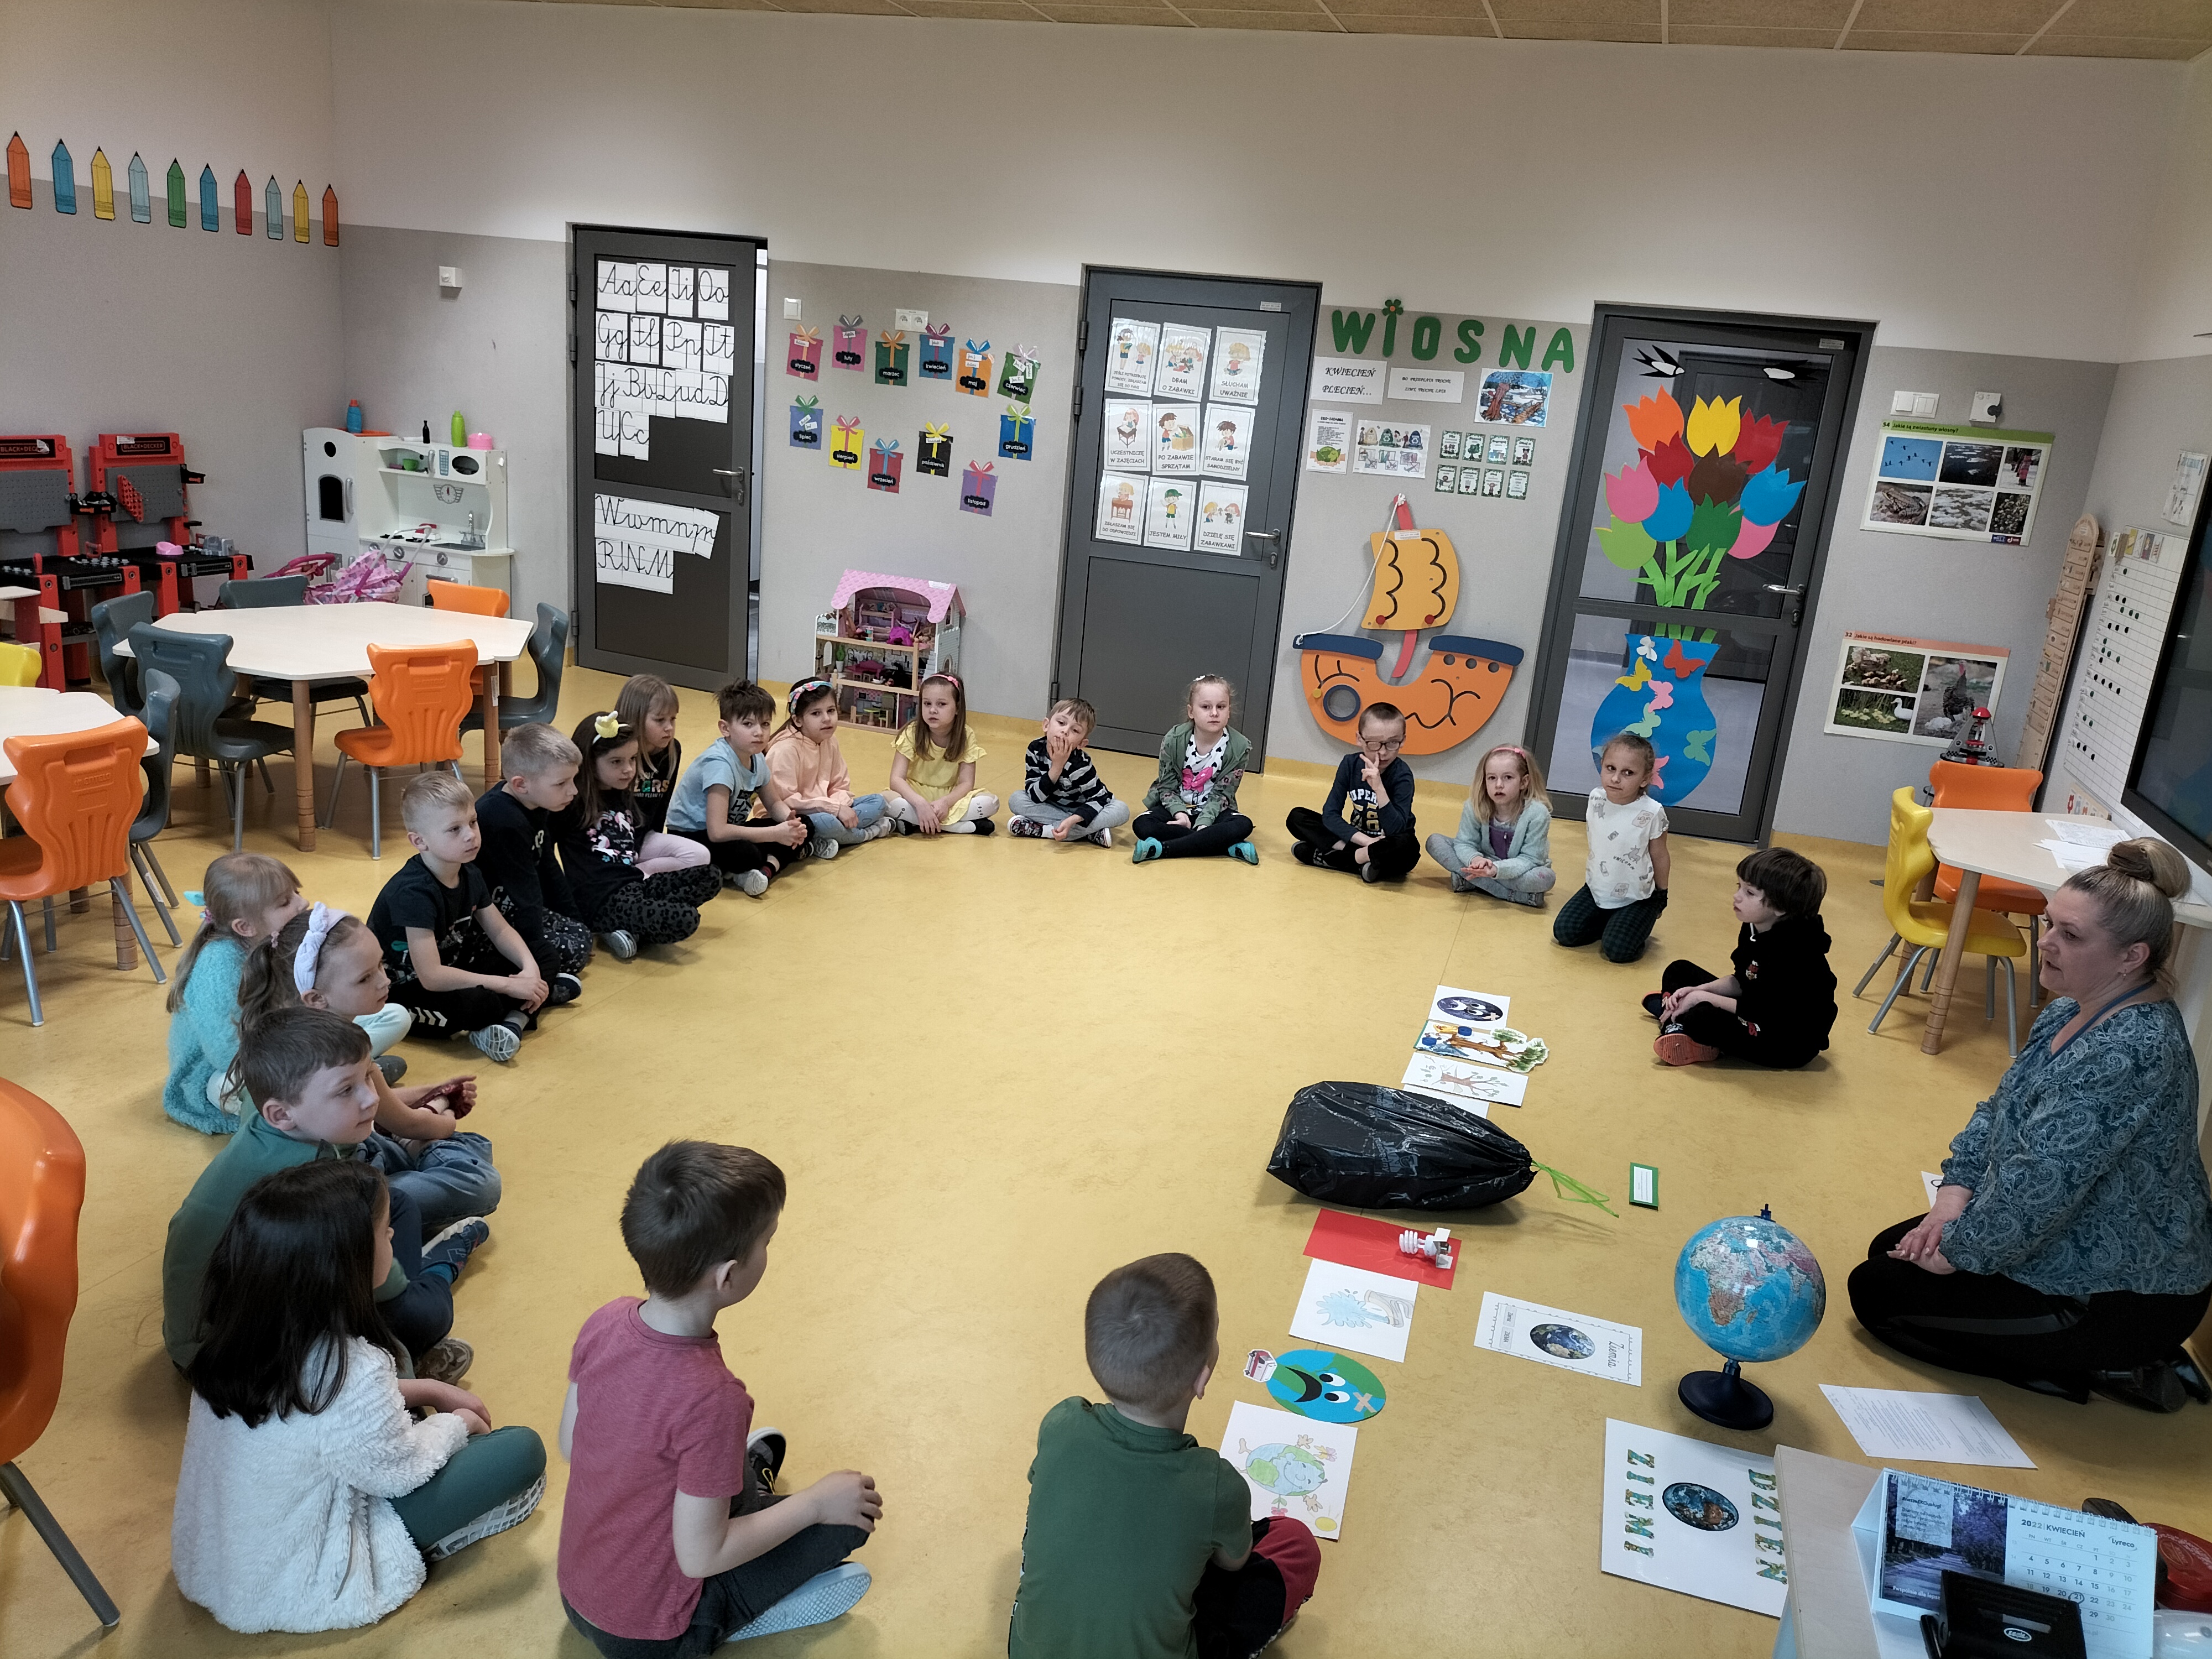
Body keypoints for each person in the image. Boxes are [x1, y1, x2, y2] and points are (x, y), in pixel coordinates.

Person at [1848, 839, 2212, 1412]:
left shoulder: (2133, 1050)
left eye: (2071, 935)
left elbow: (2043, 1185)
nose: (2044, 942)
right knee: (1888, 1252)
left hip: (2119, 1292)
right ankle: (2060, 1354)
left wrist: (1958, 1249)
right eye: (2049, 923)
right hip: (2060, 1235)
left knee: (1875, 1295)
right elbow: (2000, 1109)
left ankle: (2098, 1364)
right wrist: (1952, 1199)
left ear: (2131, 957)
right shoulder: (2072, 1007)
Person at [171, 1160, 544, 1633]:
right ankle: (434, 1541)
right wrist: (456, 1426)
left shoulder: (235, 1339)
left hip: (217, 1564)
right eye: (385, 1232)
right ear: (344, 1261)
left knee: (404, 1374)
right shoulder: (350, 1367)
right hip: (302, 1582)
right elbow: (399, 1472)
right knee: (520, 1451)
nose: (392, 1237)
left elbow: (315, 1411)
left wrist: (429, 1387)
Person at [560, 1141, 881, 1654]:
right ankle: (734, 1618)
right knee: (848, 1515)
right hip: (654, 1636)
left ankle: (726, 1483)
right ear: (728, 1276)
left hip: (577, 1596)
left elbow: (573, 1445)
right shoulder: (713, 1399)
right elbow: (699, 1558)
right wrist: (817, 1503)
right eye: (767, 1242)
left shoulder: (606, 1320)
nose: (769, 1251)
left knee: (719, 1472)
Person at [1007, 1253, 1319, 1658]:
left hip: (1027, 1651)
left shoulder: (1061, 1422)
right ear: (1203, 1377)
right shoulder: (1216, 1485)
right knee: (1295, 1543)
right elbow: (1233, 1564)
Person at [161, 1006, 482, 1381]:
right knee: (424, 1316)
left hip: (200, 1339)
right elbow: (377, 1284)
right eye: (346, 1090)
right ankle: (441, 1264)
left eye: (369, 1077)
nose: (372, 1099)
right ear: (282, 1114)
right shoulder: (314, 1185)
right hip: (244, 1362)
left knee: (398, 1203)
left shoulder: (271, 1116)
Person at [234, 902, 500, 1230]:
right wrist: (442, 1111)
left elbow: (377, 1101)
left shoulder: (313, 1031)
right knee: (479, 1180)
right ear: (316, 998)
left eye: (381, 965)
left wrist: (434, 1090)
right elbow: (410, 1123)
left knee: (467, 1146)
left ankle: (411, 1154)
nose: (384, 981)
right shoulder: (333, 1048)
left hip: (345, 1152)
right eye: (364, 978)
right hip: (329, 1198)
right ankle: (412, 1164)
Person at [366, 773, 549, 1063]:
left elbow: (500, 931)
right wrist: (507, 985)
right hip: (408, 991)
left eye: (473, 822)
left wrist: (530, 970)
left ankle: (513, 1022)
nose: (471, 835)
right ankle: (518, 1010)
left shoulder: (469, 872)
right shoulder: (413, 892)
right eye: (454, 829)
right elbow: (431, 977)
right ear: (420, 841)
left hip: (454, 968)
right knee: (479, 1004)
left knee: (541, 952)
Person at [1643, 847, 1836, 1068]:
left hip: (1785, 1040)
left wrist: (1700, 998)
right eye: (1740, 887)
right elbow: (1743, 981)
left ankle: (1675, 1021)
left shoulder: (1795, 953)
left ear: (1780, 907)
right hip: (1755, 1005)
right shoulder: (1756, 925)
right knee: (1680, 970)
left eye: (1750, 893)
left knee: (1703, 1018)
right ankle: (1678, 1014)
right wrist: (1699, 990)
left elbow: (1763, 1011)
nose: (1737, 896)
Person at [163, 852, 311, 1133]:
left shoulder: (276, 940)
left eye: (297, 893)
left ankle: (329, 1083)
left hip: (280, 1050)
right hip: (216, 1072)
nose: (303, 903)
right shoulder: (218, 964)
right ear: (245, 927)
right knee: (229, 1087)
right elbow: (225, 1055)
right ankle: (326, 1088)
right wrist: (298, 1055)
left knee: (392, 1016)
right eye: (285, 902)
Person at [559, 711, 727, 953]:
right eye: (616, 762)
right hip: (603, 898)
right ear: (590, 762)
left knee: (711, 876)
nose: (629, 769)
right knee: (686, 919)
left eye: (633, 759)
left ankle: (629, 927)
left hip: (634, 883)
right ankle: (613, 924)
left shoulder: (621, 792)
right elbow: (546, 856)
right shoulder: (572, 803)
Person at [473, 721, 592, 999]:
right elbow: (524, 892)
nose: (573, 791)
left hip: (516, 906)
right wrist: (537, 950)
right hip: (488, 919)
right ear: (521, 784)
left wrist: (575, 920)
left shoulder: (535, 804)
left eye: (572, 780)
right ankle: (523, 980)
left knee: (581, 935)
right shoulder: (505, 820)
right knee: (574, 950)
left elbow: (548, 865)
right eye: (562, 783)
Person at [664, 683, 814, 891]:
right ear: (725, 728)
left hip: (729, 831)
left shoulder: (756, 757)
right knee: (747, 854)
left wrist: (789, 821)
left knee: (807, 824)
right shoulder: (720, 765)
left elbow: (773, 803)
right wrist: (775, 834)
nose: (759, 732)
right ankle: (768, 863)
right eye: (748, 724)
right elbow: (717, 832)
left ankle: (764, 867)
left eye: (765, 724)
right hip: (693, 835)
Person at [1552, 732, 1670, 963]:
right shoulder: (1596, 798)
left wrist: (1661, 895)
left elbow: (1660, 855)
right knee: (1565, 933)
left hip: (1637, 897)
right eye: (1610, 768)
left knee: (1618, 951)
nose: (1616, 778)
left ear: (1645, 779)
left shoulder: (1652, 812)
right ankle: (1611, 923)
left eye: (1628, 773)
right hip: (1597, 889)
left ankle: (1633, 923)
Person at [1285, 703, 1418, 883]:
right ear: (1359, 739)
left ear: (1403, 741)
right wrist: (1367, 842)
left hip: (1388, 843)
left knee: (1408, 847)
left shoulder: (1403, 775)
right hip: (1358, 839)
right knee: (1297, 817)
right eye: (1374, 744)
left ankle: (1336, 859)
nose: (1383, 752)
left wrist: (1379, 788)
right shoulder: (1350, 764)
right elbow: (1331, 815)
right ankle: (1361, 861)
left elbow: (1397, 830)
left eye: (1392, 743)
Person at [1131, 675, 1256, 865]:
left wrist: (1204, 822)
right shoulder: (1174, 740)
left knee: (1243, 825)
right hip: (1176, 809)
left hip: (1215, 812)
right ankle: (1226, 846)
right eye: (1206, 707)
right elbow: (1166, 786)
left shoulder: (1239, 747)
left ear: (1229, 711)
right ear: (1191, 711)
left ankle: (1163, 849)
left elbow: (1223, 794)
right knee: (1143, 825)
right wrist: (1180, 814)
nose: (1214, 713)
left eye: (1221, 707)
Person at [764, 679, 895, 858]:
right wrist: (834, 810)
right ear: (798, 720)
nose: (827, 719)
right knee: (825, 822)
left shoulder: (830, 741)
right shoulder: (784, 749)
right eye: (816, 713)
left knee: (878, 801)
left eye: (831, 711)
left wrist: (840, 808)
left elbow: (840, 785)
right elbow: (786, 802)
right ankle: (867, 834)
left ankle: (824, 841)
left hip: (828, 809)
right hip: (793, 817)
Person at [1425, 743, 1556, 907]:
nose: (1499, 785)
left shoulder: (1537, 814)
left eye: (1508, 778)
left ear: (1524, 782)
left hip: (1520, 869)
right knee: (1435, 842)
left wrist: (1496, 870)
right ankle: (1511, 895)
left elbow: (1530, 859)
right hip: (1482, 861)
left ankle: (1473, 882)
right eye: (1492, 778)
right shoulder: (1475, 806)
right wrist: (1476, 859)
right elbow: (1465, 843)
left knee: (1546, 878)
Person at [886, 673, 998, 836]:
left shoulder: (966, 735)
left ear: (957, 708)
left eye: (942, 704)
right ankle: (960, 826)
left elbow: (966, 783)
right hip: (915, 793)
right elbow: (896, 780)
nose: (933, 710)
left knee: (991, 803)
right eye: (927, 703)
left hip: (949, 796)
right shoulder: (912, 732)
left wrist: (945, 803)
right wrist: (920, 803)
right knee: (886, 800)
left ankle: (916, 822)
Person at [1011, 697, 1128, 847]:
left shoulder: (1080, 764)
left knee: (1121, 810)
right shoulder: (1035, 750)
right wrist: (1057, 767)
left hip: (1081, 810)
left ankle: (1046, 831)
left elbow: (1100, 799)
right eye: (1061, 723)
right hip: (1049, 806)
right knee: (1016, 799)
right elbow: (1035, 796)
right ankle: (1089, 832)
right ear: (1046, 725)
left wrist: (1073, 820)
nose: (1065, 731)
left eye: (1075, 730)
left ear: (1081, 743)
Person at [616, 674, 685, 836]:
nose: (669, 727)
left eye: (673, 719)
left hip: (648, 836)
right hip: (617, 836)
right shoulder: (616, 751)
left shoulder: (672, 750)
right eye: (660, 720)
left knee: (696, 851)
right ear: (636, 718)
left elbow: (662, 806)